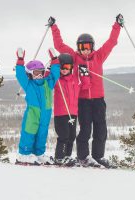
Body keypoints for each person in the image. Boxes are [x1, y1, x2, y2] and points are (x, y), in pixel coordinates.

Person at [47, 14, 124, 168]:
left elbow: (111, 42)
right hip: (82, 101)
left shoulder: (99, 56)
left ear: (92, 47)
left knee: (101, 129)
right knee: (85, 129)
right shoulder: (74, 57)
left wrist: (117, 25)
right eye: (82, 47)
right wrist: (53, 27)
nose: (85, 50)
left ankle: (98, 156)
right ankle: (83, 157)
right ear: (78, 48)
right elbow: (59, 45)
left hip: (98, 99)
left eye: (88, 47)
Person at [15, 47, 60, 165]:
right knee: (29, 132)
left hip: (45, 114)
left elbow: (55, 74)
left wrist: (55, 59)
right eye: (36, 73)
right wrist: (20, 60)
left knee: (42, 134)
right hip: (32, 114)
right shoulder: (29, 84)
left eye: (41, 72)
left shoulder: (48, 83)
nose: (39, 75)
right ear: (30, 74)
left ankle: (39, 154)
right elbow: (20, 75)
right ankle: (24, 154)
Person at [52, 53, 93, 167]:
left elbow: (86, 86)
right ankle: (59, 157)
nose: (64, 70)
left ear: (71, 67)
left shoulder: (75, 80)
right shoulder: (57, 80)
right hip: (61, 114)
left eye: (67, 67)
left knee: (71, 136)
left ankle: (67, 156)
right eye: (62, 67)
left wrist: (84, 74)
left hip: (73, 113)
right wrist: (53, 65)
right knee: (64, 135)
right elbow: (48, 80)